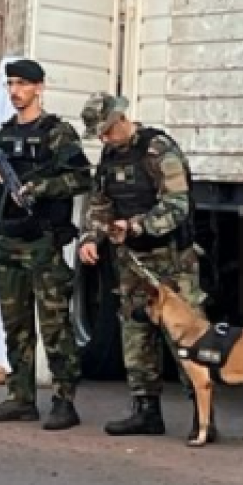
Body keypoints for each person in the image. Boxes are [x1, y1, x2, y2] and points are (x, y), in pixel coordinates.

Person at [76, 92, 203, 438]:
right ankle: (145, 409)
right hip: (132, 261)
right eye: (99, 135)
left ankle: (203, 415)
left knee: (187, 336)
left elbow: (177, 206)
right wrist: (91, 237)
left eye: (106, 131)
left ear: (121, 119)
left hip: (172, 260)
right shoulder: (109, 157)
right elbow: (100, 204)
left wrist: (137, 225)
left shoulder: (159, 151)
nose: (104, 139)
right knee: (136, 332)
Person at [0, 58, 94, 430]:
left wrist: (40, 188)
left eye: (23, 84)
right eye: (11, 84)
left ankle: (64, 400)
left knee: (55, 327)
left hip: (42, 242)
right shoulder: (5, 133)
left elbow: (80, 179)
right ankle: (20, 397)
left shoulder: (57, 133)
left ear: (39, 88)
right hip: (7, 242)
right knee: (16, 327)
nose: (15, 91)